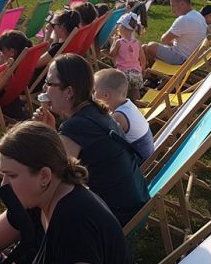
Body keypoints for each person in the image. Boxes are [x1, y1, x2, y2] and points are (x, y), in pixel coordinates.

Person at [0, 121, 149, 264]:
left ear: (44, 176)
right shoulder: (38, 197)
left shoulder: (74, 221)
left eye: (12, 175)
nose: (3, 184)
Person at [33, 54, 149, 225]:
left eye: (49, 83)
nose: (44, 89)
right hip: (134, 204)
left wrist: (43, 135)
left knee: (36, 195)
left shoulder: (76, 126)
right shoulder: (96, 112)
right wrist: (51, 132)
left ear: (69, 92)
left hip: (116, 218)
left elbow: (52, 179)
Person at [93, 69, 154, 161]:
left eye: (94, 91)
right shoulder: (127, 105)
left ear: (106, 95)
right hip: (147, 152)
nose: (93, 95)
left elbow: (106, 141)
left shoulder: (119, 116)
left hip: (140, 160)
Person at [142, 0, 207, 66]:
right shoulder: (199, 16)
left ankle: (150, 70)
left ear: (182, 4)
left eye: (173, 6)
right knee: (144, 47)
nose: (172, 10)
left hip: (182, 59)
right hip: (192, 58)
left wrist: (171, 42)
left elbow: (164, 40)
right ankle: (146, 69)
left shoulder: (185, 19)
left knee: (151, 47)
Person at [108, 12, 146, 101]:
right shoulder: (137, 43)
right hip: (136, 72)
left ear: (122, 28)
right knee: (135, 91)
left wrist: (113, 42)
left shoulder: (119, 42)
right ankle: (137, 104)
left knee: (123, 93)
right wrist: (142, 70)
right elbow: (143, 59)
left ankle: (123, 103)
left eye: (119, 26)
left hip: (123, 73)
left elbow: (112, 54)